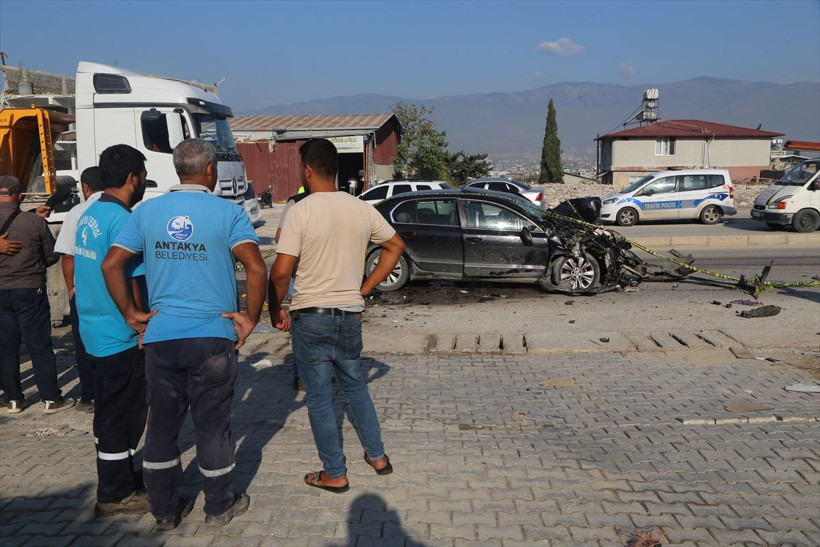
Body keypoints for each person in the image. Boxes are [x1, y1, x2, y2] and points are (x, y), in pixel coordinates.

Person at [102, 138, 267, 530]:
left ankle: (165, 510)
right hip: (212, 336)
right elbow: (257, 269)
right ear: (210, 171)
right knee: (212, 425)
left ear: (179, 170)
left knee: (161, 425)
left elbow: (112, 265)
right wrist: (250, 318)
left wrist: (132, 314)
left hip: (161, 337)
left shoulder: (146, 212)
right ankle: (220, 505)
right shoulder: (229, 213)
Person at [268, 138, 405, 493]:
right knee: (355, 386)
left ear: (308, 170)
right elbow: (395, 246)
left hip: (310, 316)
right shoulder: (360, 208)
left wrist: (273, 307)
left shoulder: (301, 210)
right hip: (349, 315)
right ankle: (377, 457)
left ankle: (335, 473)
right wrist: (365, 287)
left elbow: (281, 272)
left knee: (318, 398)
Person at [74, 145, 150, 518]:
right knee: (123, 414)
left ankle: (120, 477)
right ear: (133, 178)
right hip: (119, 334)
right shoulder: (123, 221)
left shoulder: (91, 213)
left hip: (93, 328)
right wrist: (136, 316)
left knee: (109, 411)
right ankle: (116, 493)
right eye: (143, 177)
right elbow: (127, 275)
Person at [0, 175, 74, 414]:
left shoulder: (31, 217)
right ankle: (51, 399)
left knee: (6, 347)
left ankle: (13, 399)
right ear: (19, 196)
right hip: (31, 289)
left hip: (1, 293)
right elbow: (51, 255)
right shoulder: (34, 223)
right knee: (39, 346)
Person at [53, 166, 104, 413]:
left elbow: (67, 256)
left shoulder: (77, 212)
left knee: (84, 343)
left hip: (84, 292)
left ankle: (89, 395)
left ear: (85, 187)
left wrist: (70, 287)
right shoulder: (123, 210)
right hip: (115, 291)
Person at [274, 186, 310, 391]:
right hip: (333, 280)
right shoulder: (344, 202)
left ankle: (302, 378)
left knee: (302, 328)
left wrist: (274, 306)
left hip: (302, 277)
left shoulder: (296, 203)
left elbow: (280, 236)